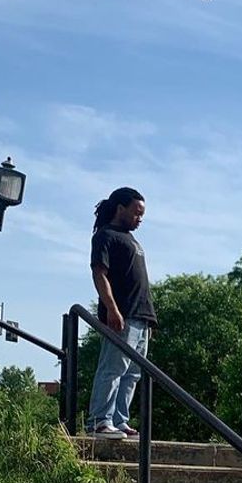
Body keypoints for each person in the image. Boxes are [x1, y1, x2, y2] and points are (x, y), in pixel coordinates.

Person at [86, 186, 156, 439]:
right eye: (136, 213)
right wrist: (112, 309)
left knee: (132, 373)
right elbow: (99, 273)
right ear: (120, 209)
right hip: (122, 315)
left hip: (141, 316)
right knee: (113, 367)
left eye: (142, 215)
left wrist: (149, 321)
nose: (140, 218)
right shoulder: (106, 236)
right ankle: (99, 421)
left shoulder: (132, 239)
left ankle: (119, 420)